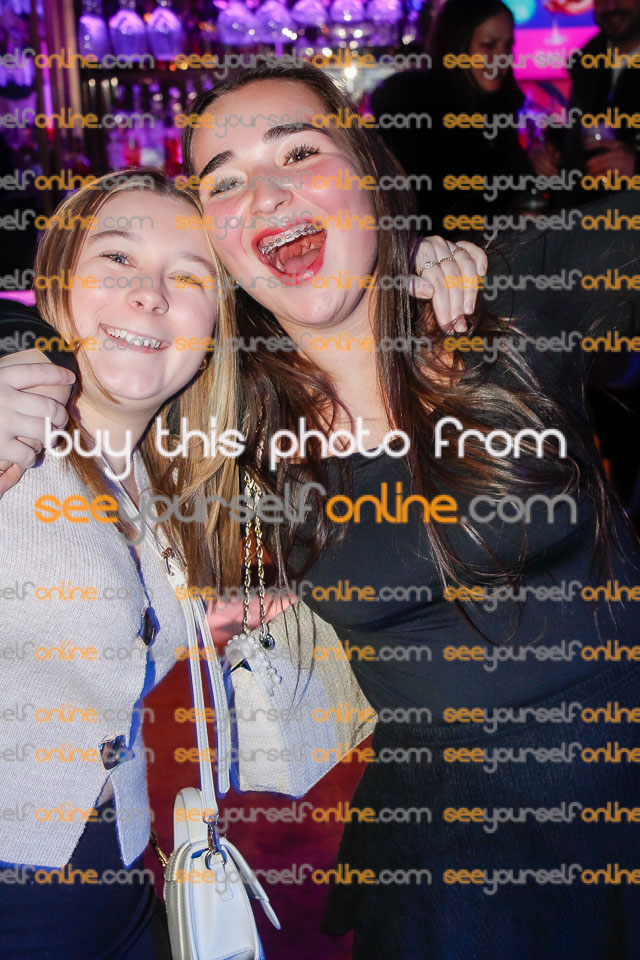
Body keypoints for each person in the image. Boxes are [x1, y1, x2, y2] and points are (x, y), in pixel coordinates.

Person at [178, 63, 640, 959]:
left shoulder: (506, 306)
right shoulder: (228, 417)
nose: (263, 195)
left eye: (298, 154)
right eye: (223, 183)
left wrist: (429, 246)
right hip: (451, 866)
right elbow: (73, 327)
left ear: (371, 172)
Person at [0, 168, 241, 960]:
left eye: (189, 276)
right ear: (57, 288)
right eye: (117, 258)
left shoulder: (160, 477)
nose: (149, 295)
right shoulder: (11, 432)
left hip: (125, 883)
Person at [369, 0, 536, 236]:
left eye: (508, 45)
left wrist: (533, 168)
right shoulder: (419, 115)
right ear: (456, 46)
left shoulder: (496, 109)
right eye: (489, 45)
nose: (502, 57)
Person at [539, 0, 640, 191]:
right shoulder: (585, 66)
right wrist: (551, 155)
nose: (611, 6)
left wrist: (636, 168)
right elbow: (575, 149)